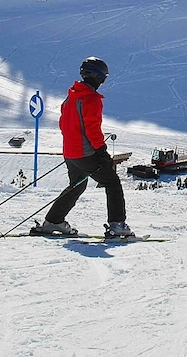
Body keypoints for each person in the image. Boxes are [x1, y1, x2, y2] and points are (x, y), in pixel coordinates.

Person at [32, 57, 133, 239]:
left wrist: (74, 145)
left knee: (77, 185)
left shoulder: (70, 97)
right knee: (112, 182)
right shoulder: (91, 99)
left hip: (70, 153)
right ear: (97, 77)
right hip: (85, 153)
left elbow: (63, 124)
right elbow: (92, 129)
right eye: (103, 77)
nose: (103, 81)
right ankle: (117, 225)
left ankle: (53, 221)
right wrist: (101, 152)